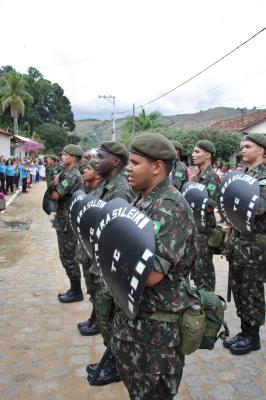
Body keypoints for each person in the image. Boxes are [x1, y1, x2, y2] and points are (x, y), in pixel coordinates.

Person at [111, 133, 198, 400]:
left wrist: (112, 249)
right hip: (137, 327)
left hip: (157, 336)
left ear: (157, 167)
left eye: (135, 163)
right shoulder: (144, 200)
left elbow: (150, 275)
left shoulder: (171, 207)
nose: (128, 168)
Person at [85, 141, 133, 386]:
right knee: (104, 318)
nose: (96, 161)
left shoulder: (121, 190)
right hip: (99, 261)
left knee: (109, 318)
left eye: (101, 157)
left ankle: (115, 365)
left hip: (110, 268)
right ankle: (112, 361)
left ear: (115, 161)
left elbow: (118, 235)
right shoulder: (106, 185)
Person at [223, 133, 266, 355]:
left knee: (252, 292)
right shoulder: (243, 176)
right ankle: (244, 330)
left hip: (255, 247)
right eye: (242, 146)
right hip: (239, 244)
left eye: (248, 146)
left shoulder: (263, 177)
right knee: (239, 290)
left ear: (261, 150)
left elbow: (258, 209)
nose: (243, 150)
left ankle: (253, 336)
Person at [49, 144, 84, 303]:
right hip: (64, 220)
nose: (62, 157)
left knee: (69, 257)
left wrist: (54, 184)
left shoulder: (72, 175)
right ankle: (73, 288)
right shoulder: (67, 172)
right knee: (66, 256)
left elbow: (56, 195)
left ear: (73, 158)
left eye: (65, 155)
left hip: (67, 222)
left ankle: (76, 292)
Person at [188, 140, 221, 291]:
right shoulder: (198, 176)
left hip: (204, 233)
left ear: (207, 155)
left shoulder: (212, 177)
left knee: (204, 275)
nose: (193, 155)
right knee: (196, 273)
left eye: (197, 152)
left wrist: (192, 197)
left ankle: (210, 308)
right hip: (195, 231)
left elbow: (209, 207)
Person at [76, 159, 105, 337]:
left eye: (88, 169)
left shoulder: (106, 191)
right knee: (92, 289)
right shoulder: (90, 189)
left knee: (98, 290)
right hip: (87, 248)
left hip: (96, 252)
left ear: (98, 174)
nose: (84, 171)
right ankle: (95, 319)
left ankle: (98, 323)